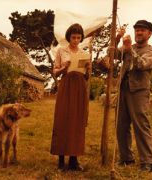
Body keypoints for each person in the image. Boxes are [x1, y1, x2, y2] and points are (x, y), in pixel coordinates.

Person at [110, 20, 152, 172]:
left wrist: (129, 49)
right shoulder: (128, 47)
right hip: (123, 89)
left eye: (142, 30)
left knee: (141, 125)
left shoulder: (151, 52)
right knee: (121, 126)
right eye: (137, 30)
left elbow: (141, 65)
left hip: (139, 91)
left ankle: (148, 162)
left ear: (149, 34)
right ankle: (126, 158)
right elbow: (111, 54)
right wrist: (117, 38)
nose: (138, 32)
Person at [50, 23, 92, 171]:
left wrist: (87, 69)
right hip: (66, 85)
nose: (75, 40)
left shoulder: (84, 53)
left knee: (77, 121)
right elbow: (54, 72)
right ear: (69, 37)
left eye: (78, 37)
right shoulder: (61, 51)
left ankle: (74, 159)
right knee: (63, 119)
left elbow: (87, 77)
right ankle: (61, 160)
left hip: (80, 87)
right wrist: (63, 67)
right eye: (73, 37)